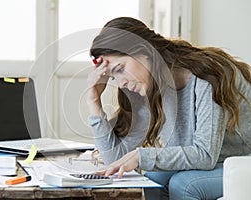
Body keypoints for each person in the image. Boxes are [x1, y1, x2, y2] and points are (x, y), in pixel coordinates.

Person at [86, 17, 251, 200]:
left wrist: (141, 156)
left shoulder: (207, 77)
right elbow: (114, 161)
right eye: (112, 77)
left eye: (119, 69)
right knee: (153, 179)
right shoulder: (148, 87)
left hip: (243, 162)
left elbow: (205, 154)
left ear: (144, 51)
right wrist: (94, 101)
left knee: (184, 185)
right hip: (216, 162)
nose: (121, 83)